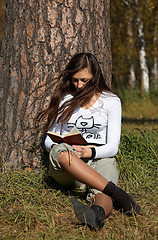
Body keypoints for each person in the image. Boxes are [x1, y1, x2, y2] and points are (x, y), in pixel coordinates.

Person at [37, 52, 141, 230]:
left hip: (99, 159)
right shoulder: (65, 99)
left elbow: (112, 147)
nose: (79, 85)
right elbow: (49, 137)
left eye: (85, 80)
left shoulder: (111, 101)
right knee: (61, 151)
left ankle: (96, 215)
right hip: (69, 167)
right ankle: (120, 195)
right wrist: (57, 146)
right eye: (75, 80)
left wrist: (89, 152)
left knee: (102, 191)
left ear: (95, 77)